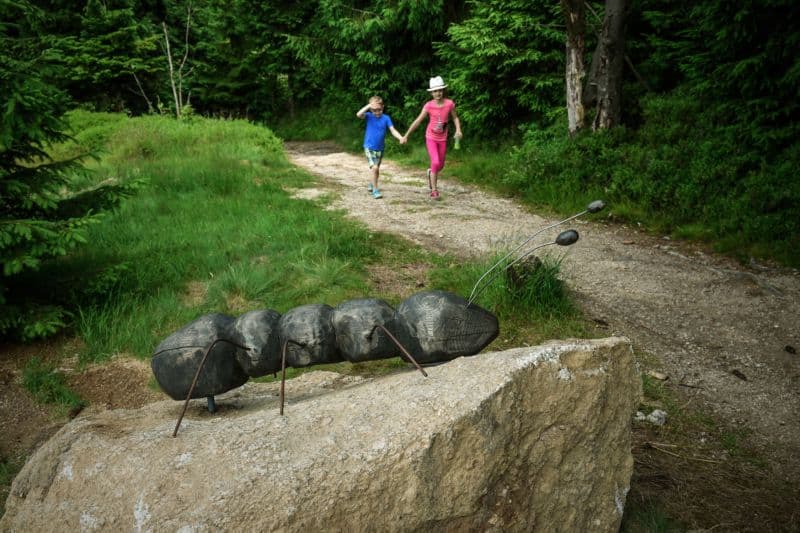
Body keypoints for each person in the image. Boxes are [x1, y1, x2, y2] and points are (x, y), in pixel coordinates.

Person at [402, 76, 462, 200]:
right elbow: (418, 121)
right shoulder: (429, 106)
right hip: (431, 138)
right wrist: (406, 135)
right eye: (435, 91)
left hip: (443, 138)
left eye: (440, 90)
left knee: (440, 165)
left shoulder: (449, 104)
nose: (438, 93)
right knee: (435, 162)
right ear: (431, 93)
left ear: (443, 91)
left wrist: (458, 129)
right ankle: (434, 190)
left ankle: (431, 172)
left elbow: (455, 118)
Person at [356, 96, 405, 199]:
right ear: (371, 109)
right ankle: (375, 190)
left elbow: (392, 130)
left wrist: (400, 137)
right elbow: (358, 114)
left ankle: (372, 183)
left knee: (376, 170)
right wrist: (369, 105)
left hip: (380, 148)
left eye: (379, 109)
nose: (377, 112)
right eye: (374, 110)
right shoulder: (369, 116)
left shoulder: (386, 118)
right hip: (369, 147)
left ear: (383, 107)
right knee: (375, 167)